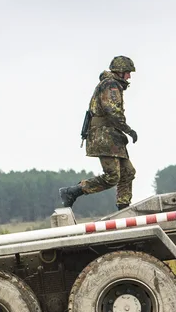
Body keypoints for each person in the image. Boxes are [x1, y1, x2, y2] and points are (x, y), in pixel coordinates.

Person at [59, 56, 139, 211]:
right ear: (120, 71)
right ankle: (73, 191)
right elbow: (112, 112)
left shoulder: (111, 84)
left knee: (127, 172)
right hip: (104, 136)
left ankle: (124, 208)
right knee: (112, 176)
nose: (129, 76)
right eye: (128, 72)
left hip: (112, 136)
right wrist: (129, 130)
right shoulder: (111, 85)